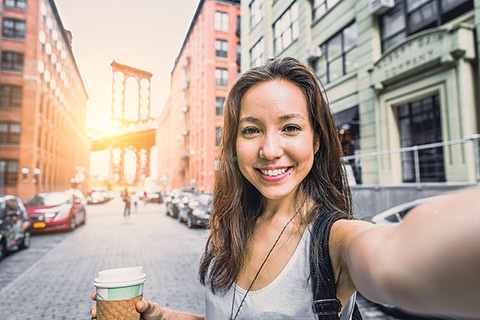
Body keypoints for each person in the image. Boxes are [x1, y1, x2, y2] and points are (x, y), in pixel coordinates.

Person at [91, 57, 480, 319]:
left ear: (316, 141)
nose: (270, 150)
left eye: (291, 127)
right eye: (251, 130)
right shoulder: (230, 226)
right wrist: (164, 316)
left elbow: (403, 255)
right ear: (233, 144)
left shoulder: (337, 240)